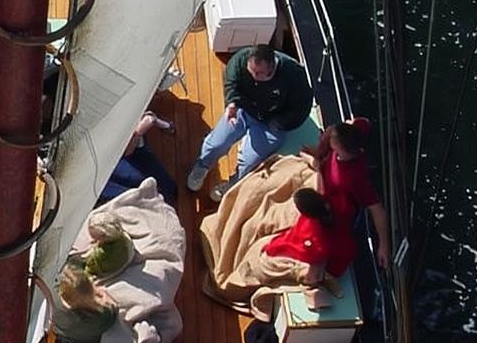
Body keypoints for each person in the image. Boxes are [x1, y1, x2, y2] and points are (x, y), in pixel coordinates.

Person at [186, 43, 313, 202]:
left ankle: (232, 183)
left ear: (272, 68)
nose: (254, 77)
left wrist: (280, 123)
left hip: (271, 123)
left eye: (259, 74)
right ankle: (203, 165)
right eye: (251, 71)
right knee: (216, 143)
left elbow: (301, 108)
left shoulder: (293, 75)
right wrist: (232, 103)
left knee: (250, 161)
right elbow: (231, 79)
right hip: (243, 109)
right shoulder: (242, 59)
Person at [310, 116, 391, 271]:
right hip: (321, 175)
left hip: (335, 201)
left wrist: (383, 245)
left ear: (343, 150)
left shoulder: (356, 178)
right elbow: (363, 122)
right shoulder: (353, 131)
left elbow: (376, 209)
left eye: (335, 145)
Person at [97, 111, 178, 206]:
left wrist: (137, 132)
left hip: (127, 152)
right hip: (107, 164)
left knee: (168, 189)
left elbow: (128, 151)